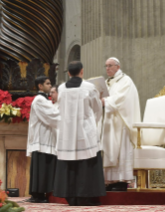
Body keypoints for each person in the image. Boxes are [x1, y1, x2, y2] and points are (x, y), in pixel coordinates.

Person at [53, 61, 106, 206]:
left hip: (67, 132)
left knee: (69, 163)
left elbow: (59, 108)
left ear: (68, 73)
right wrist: (93, 123)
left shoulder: (62, 88)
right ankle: (87, 196)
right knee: (86, 163)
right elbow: (97, 108)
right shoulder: (89, 87)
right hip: (84, 131)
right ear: (82, 71)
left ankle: (71, 196)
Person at [101, 57, 141, 191]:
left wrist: (105, 102)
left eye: (110, 66)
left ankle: (121, 181)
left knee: (120, 150)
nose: (107, 68)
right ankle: (110, 181)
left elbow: (122, 99)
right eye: (106, 66)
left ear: (118, 67)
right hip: (110, 121)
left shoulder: (125, 80)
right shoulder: (107, 82)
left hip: (122, 121)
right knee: (109, 149)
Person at [26, 76, 60, 203]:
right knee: (41, 168)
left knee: (43, 168)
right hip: (42, 139)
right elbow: (52, 115)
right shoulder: (40, 100)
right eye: (47, 83)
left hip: (45, 139)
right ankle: (38, 195)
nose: (50, 86)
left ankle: (39, 194)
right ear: (40, 86)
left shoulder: (44, 100)